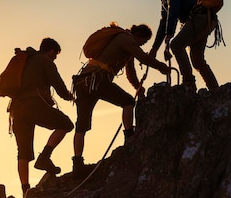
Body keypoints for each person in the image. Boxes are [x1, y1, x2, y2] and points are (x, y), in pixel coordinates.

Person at [72, 23, 170, 172]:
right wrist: (160, 66)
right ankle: (130, 137)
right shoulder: (126, 39)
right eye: (142, 42)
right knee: (128, 102)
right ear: (137, 35)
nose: (141, 45)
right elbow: (142, 57)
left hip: (82, 81)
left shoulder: (121, 41)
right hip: (98, 79)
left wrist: (138, 86)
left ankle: (77, 165)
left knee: (81, 125)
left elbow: (130, 71)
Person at [9, 38, 74, 198]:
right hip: (34, 105)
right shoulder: (44, 61)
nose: (54, 58)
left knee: (23, 152)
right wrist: (69, 96)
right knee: (66, 124)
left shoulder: (25, 60)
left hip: (16, 109)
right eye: (55, 55)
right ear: (51, 51)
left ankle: (25, 191)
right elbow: (57, 83)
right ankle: (44, 158)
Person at [139, 0, 219, 91]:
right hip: (204, 19)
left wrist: (170, 34)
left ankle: (188, 83)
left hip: (200, 18)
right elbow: (164, 21)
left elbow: (174, 9)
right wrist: (155, 48)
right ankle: (215, 90)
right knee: (197, 60)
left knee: (176, 45)